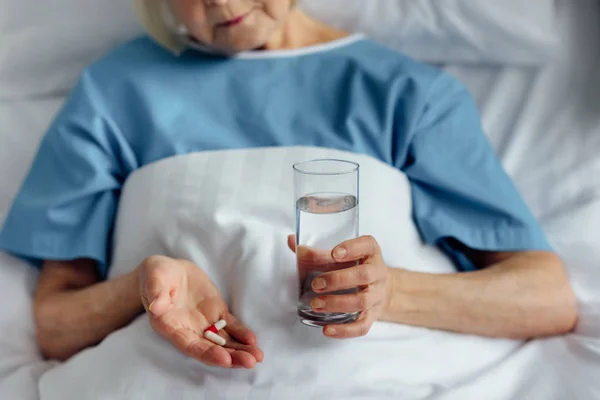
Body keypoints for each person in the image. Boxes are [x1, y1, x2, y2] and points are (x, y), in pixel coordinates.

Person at [0, 0, 577, 370]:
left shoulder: (407, 95)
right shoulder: (114, 94)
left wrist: (391, 292)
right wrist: (142, 289)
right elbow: (56, 325)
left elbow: (546, 297)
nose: (221, 2)